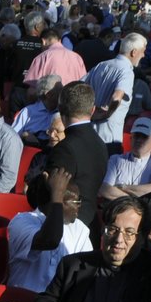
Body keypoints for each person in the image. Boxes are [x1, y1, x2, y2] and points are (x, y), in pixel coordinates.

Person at [5, 167, 91, 294]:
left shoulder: (80, 229)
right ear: (56, 200)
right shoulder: (22, 221)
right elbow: (50, 240)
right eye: (75, 201)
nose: (79, 205)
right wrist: (57, 196)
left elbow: (86, 271)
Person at [45, 81, 106, 228]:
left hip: (66, 227)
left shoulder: (64, 149)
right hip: (90, 224)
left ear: (60, 110)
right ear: (92, 110)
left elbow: (52, 193)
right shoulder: (101, 144)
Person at [85, 33, 143, 155]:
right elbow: (117, 97)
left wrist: (88, 113)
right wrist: (106, 114)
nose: (143, 55)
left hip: (90, 134)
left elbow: (78, 87)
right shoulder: (126, 72)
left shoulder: (101, 65)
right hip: (109, 138)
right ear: (134, 52)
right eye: (143, 51)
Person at [98, 116, 151, 198]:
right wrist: (133, 201)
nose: (139, 140)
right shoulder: (116, 159)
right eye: (137, 136)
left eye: (144, 137)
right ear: (131, 138)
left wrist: (123, 187)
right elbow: (105, 189)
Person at [9, 74, 62, 148]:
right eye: (59, 90)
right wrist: (25, 136)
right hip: (31, 150)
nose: (62, 93)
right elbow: (12, 136)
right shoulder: (27, 112)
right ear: (48, 95)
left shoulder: (63, 113)